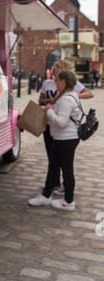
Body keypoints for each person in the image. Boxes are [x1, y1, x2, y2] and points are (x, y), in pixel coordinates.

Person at [28, 70, 82, 211]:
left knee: (66, 171)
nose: (55, 83)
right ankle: (47, 196)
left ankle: (68, 201)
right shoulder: (72, 96)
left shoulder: (65, 99)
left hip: (65, 139)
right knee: (54, 168)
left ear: (64, 82)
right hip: (65, 139)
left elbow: (61, 122)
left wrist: (49, 110)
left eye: (57, 81)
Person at [38, 59, 93, 194]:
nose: (54, 68)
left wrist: (70, 95)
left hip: (64, 128)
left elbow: (90, 93)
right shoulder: (47, 83)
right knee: (51, 156)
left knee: (63, 160)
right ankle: (54, 183)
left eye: (58, 66)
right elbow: (40, 100)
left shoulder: (69, 84)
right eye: (54, 65)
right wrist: (51, 101)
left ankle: (62, 189)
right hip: (49, 123)